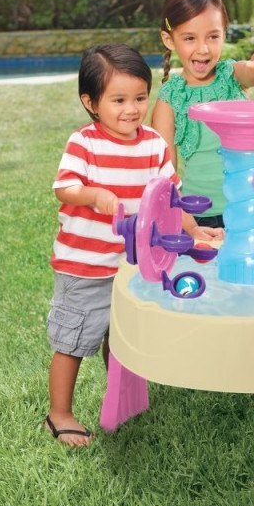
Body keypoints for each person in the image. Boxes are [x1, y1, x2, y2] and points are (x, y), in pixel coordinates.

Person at [46, 43, 210, 447]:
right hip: (86, 266)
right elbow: (65, 187)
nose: (132, 109)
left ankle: (121, 397)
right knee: (73, 342)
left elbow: (171, 197)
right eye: (118, 100)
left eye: (139, 98)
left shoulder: (153, 144)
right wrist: (92, 194)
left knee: (119, 336)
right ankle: (59, 413)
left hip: (132, 265)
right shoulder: (84, 143)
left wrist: (194, 231)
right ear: (91, 102)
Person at [150, 0, 254, 229]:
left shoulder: (231, 75)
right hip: (198, 213)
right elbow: (165, 168)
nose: (203, 49)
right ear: (169, 39)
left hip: (246, 204)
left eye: (213, 36)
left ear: (224, 35)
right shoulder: (170, 98)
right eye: (189, 38)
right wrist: (184, 220)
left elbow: (250, 71)